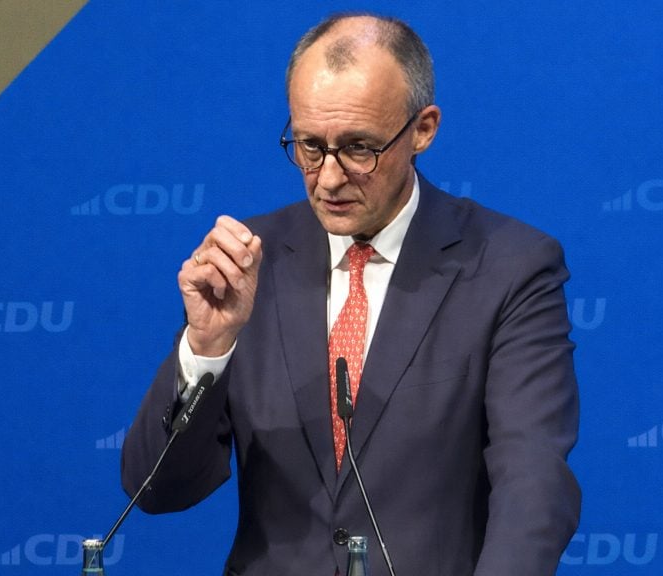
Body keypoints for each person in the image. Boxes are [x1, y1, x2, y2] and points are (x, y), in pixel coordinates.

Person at [122, 12, 581, 576]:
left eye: (359, 148)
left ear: (423, 129)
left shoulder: (509, 266)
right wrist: (208, 346)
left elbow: (532, 480)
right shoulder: (248, 264)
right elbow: (158, 488)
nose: (329, 178)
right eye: (310, 147)